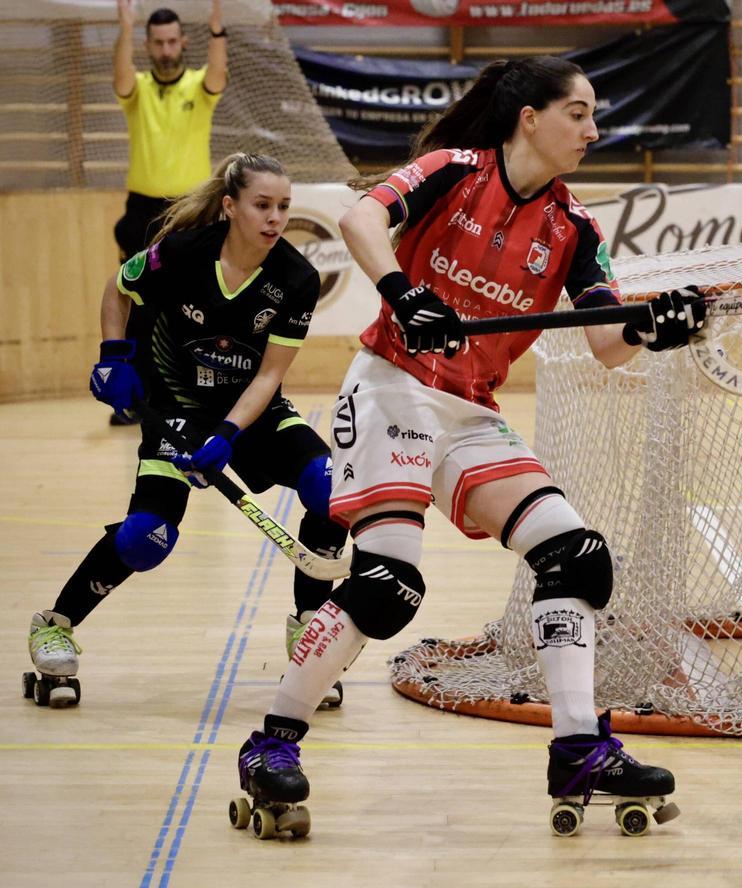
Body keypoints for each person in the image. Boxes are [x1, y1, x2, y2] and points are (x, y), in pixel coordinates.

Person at [232, 56, 704, 835]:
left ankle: (578, 747)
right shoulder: (454, 170)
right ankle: (271, 743)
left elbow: (607, 344)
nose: (593, 129)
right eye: (579, 113)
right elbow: (359, 218)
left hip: (468, 409)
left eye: (593, 116)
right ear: (531, 118)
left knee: (577, 558)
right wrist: (403, 294)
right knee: (389, 586)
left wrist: (658, 328)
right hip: (392, 385)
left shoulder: (575, 227)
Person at [24, 153, 347, 709]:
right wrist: (113, 358)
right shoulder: (180, 253)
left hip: (249, 411)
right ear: (230, 206)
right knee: (145, 538)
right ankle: (54, 624)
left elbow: (270, 374)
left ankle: (309, 625)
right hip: (172, 409)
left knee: (329, 486)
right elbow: (116, 290)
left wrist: (224, 435)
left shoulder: (296, 278)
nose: (275, 218)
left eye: (284, 208)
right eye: (262, 205)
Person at [108, 1, 228, 427]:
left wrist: (218, 31)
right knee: (139, 306)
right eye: (157, 42)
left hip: (192, 209)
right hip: (143, 210)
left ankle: (198, 398)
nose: (165, 49)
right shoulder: (137, 90)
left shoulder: (198, 86)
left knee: (197, 306)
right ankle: (135, 400)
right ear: (148, 45)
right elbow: (120, 78)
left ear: (183, 42)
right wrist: (125, 28)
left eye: (172, 41)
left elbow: (218, 74)